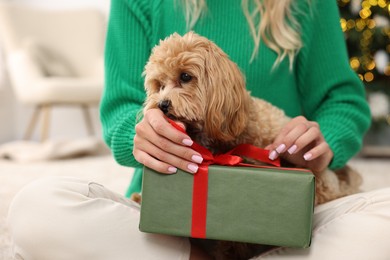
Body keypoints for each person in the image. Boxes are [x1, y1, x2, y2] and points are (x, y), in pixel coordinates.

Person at [7, 0, 390, 259]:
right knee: (34, 207)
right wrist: (140, 132)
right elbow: (122, 106)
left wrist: (321, 141)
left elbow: (343, 99)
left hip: (284, 205)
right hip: (174, 215)